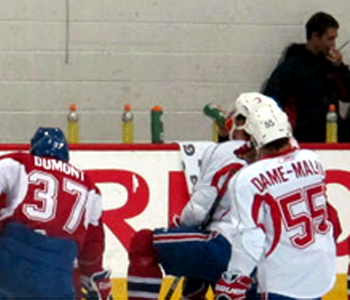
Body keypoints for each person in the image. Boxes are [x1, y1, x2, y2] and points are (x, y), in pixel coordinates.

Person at [126, 93, 277, 300]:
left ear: (243, 124)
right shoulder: (286, 160)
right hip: (268, 262)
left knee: (144, 242)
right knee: (203, 253)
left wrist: (180, 224)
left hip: (228, 246)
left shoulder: (226, 150)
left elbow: (198, 212)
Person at [0, 127, 112, 299]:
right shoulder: (89, 188)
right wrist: (93, 278)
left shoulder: (22, 162)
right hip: (58, 278)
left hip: (9, 257)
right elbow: (92, 247)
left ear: (34, 148)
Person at [214, 101, 337, 299]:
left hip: (282, 279)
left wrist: (235, 277)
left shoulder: (246, 179)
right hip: (319, 271)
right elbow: (288, 157)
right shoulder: (313, 159)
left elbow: (251, 238)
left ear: (253, 136)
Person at [262, 11, 350, 142]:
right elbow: (270, 98)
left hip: (332, 129)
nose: (333, 45)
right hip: (304, 133)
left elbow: (347, 95)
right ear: (315, 36)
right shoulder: (292, 66)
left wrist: (340, 67)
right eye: (329, 39)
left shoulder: (331, 65)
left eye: (335, 38)